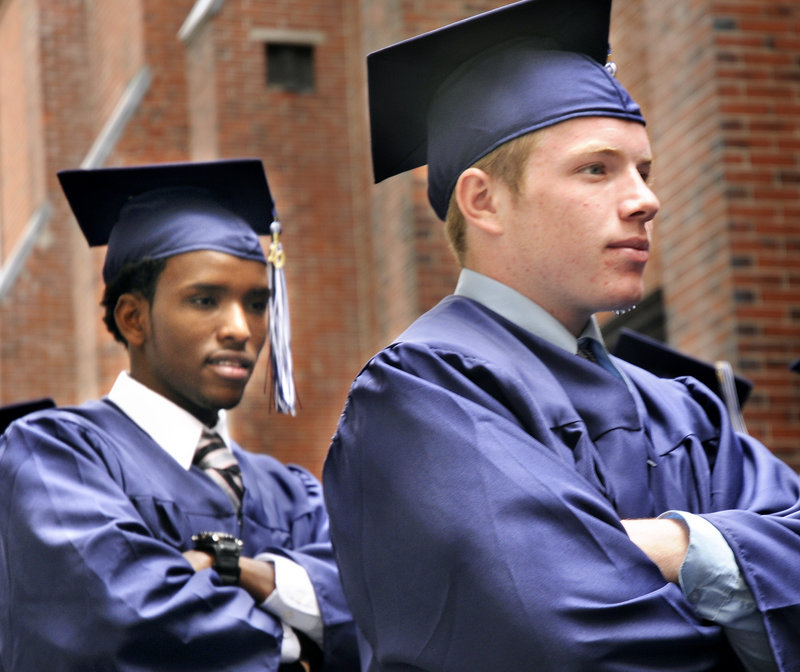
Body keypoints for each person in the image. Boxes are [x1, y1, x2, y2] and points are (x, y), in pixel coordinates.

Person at [322, 1, 800, 670]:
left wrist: (676, 547)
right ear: (482, 200)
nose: (644, 200)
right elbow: (560, 640)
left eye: (644, 170)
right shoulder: (419, 398)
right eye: (596, 170)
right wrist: (745, 575)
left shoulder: (687, 411)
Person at [0, 159, 358, 671]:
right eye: (205, 299)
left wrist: (236, 570)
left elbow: (375, 609)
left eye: (258, 304)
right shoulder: (55, 455)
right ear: (133, 318)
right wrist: (300, 642)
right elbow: (123, 620)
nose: (240, 328)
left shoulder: (292, 494)